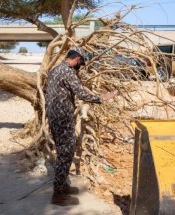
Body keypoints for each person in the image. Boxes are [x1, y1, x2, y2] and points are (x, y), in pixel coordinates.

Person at [46, 46, 116, 206]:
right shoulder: (68, 72)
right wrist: (101, 98)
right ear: (77, 59)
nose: (80, 67)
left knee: (63, 152)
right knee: (65, 154)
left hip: (55, 118)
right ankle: (58, 195)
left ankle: (62, 186)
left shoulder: (56, 70)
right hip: (62, 120)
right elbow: (80, 93)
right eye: (81, 63)